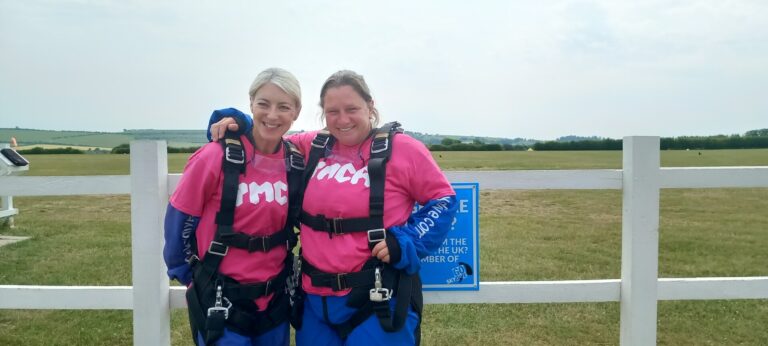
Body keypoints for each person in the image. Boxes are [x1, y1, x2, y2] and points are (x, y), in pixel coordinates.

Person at [207, 70, 458, 346]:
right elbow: (269, 137)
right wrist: (240, 121)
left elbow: (443, 199)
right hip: (315, 304)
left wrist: (406, 241)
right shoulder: (314, 146)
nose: (342, 119)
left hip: (377, 298)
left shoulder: (403, 149)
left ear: (370, 106)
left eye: (352, 109)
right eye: (332, 112)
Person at [164, 67, 304, 346]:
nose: (272, 115)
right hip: (221, 300)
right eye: (263, 104)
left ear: (296, 112)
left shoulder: (295, 161)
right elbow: (179, 219)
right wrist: (191, 276)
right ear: (250, 103)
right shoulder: (215, 157)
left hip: (274, 301)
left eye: (283, 107)